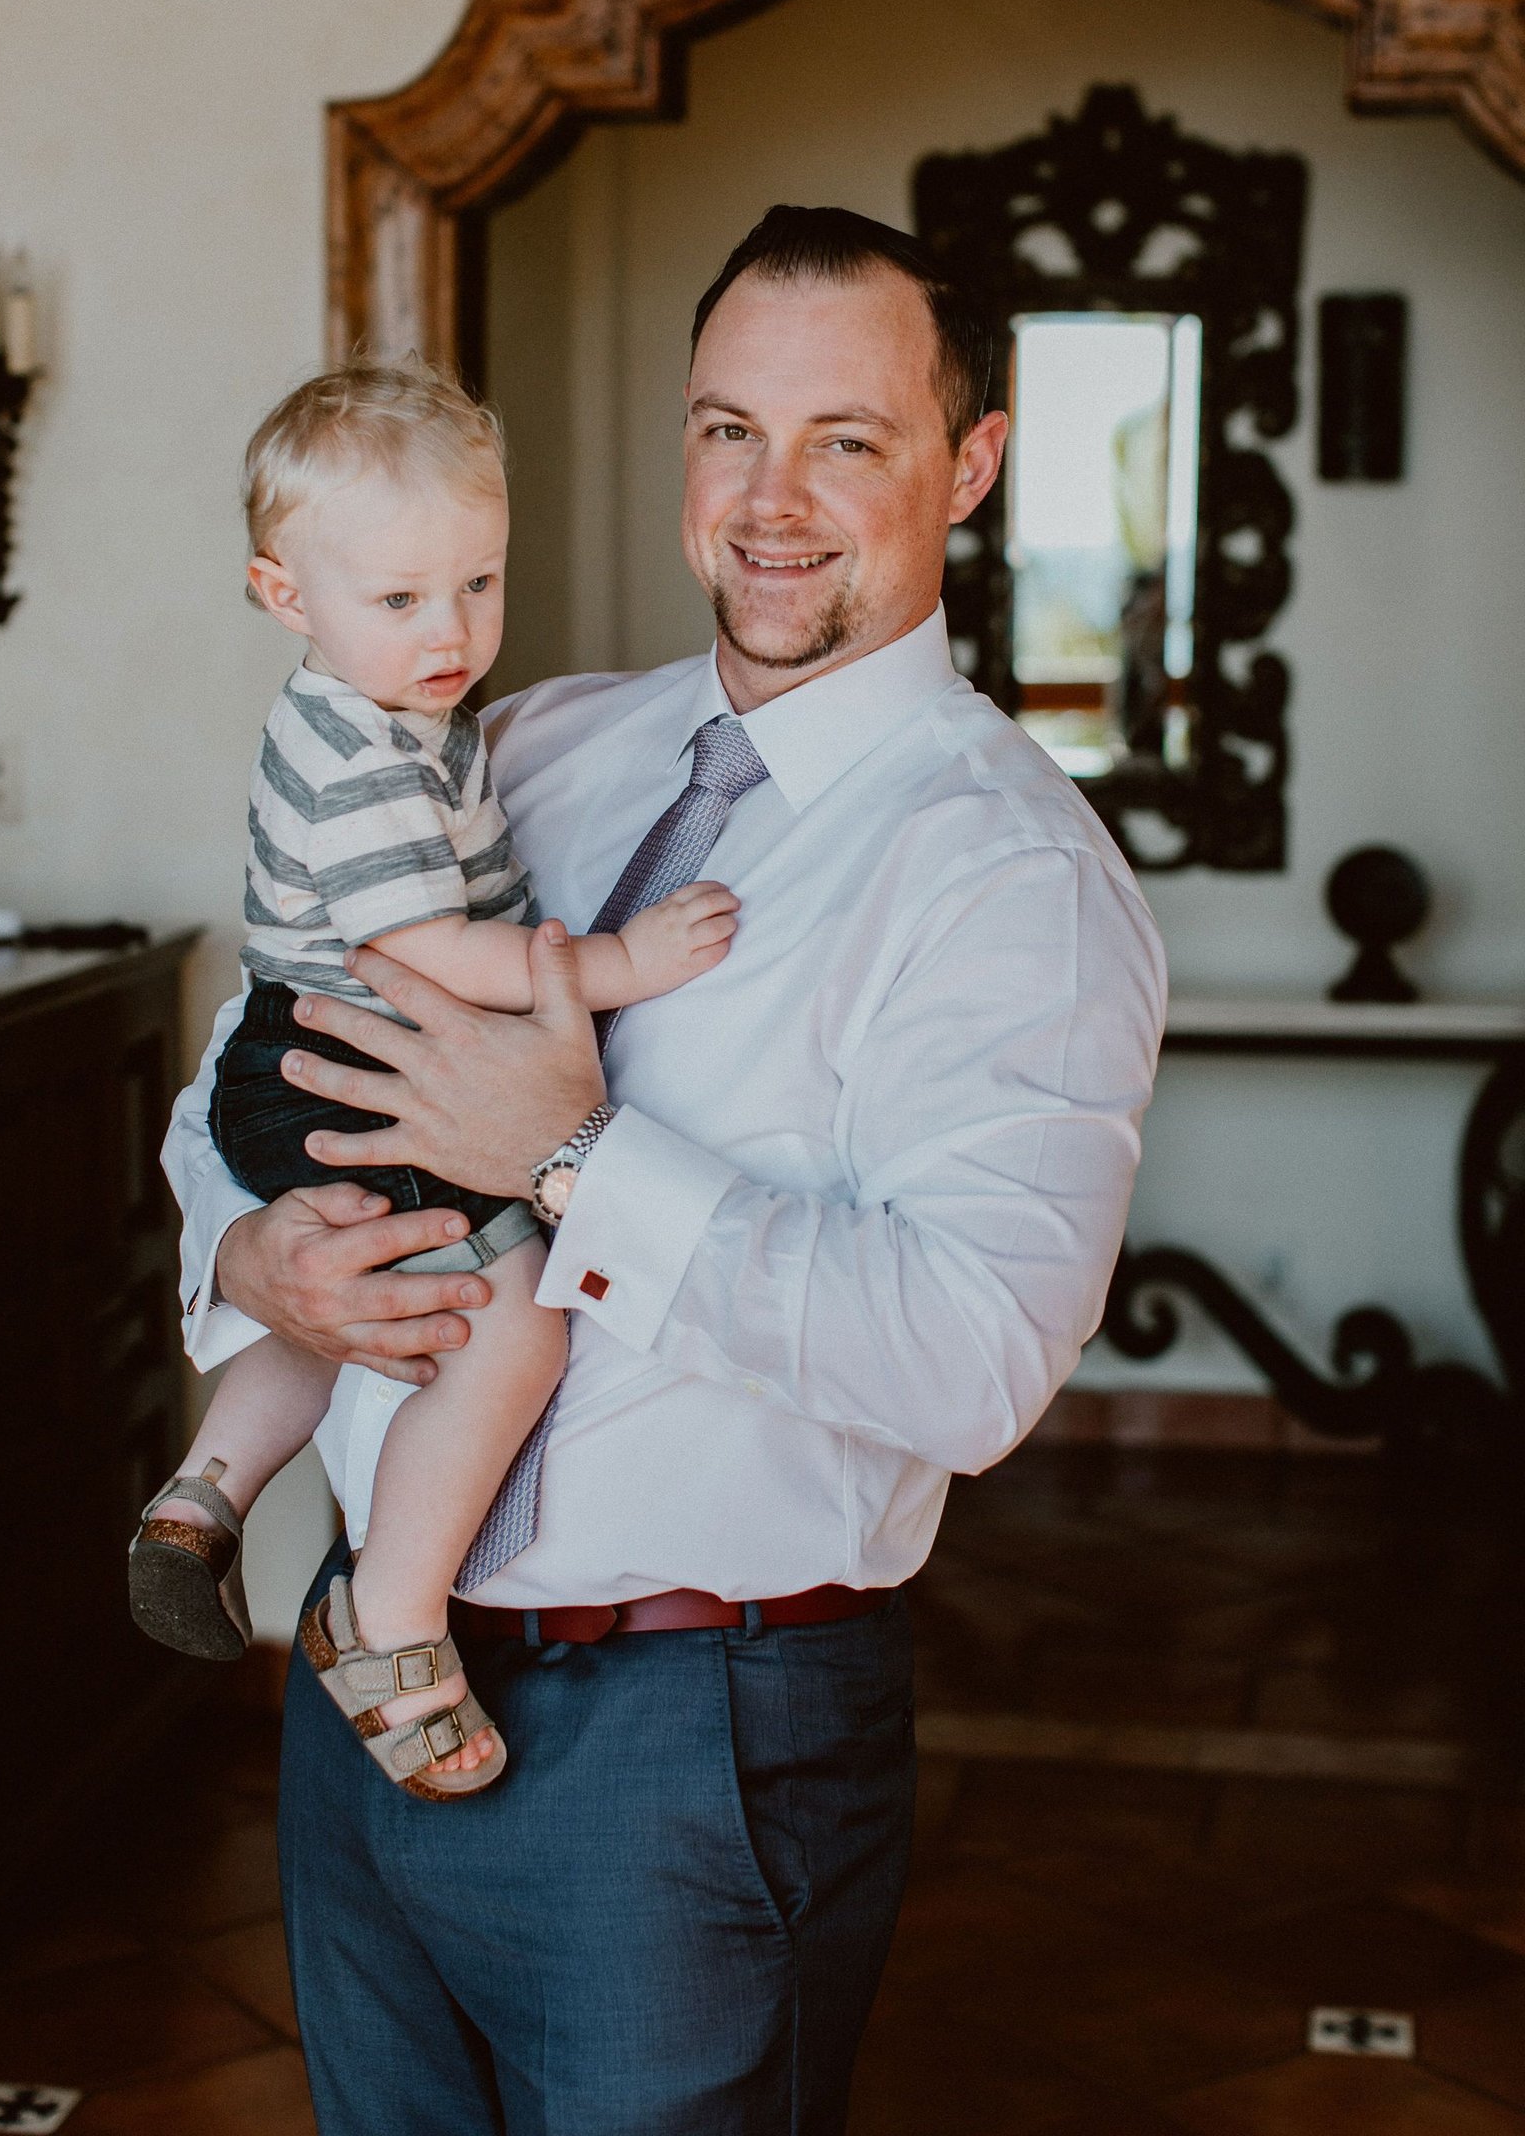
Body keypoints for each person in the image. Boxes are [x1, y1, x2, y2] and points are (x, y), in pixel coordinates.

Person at [163, 205, 1167, 2135]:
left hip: (689, 1743)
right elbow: (249, 1057)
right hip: (364, 1674)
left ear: (967, 463)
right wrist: (264, 1256)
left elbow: (973, 1364)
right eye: (727, 428)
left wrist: (571, 1157)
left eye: (844, 440)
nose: (769, 500)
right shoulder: (520, 740)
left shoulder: (1011, 875)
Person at [137, 359, 737, 1796]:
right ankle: (386, 1612)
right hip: (346, 1057)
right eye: (401, 599)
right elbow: (432, 954)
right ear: (286, 595)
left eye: (478, 582)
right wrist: (618, 969)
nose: (454, 628)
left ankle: (203, 1496)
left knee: (348, 1288)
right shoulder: (355, 752)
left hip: (325, 1053)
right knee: (515, 1313)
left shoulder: (407, 719)